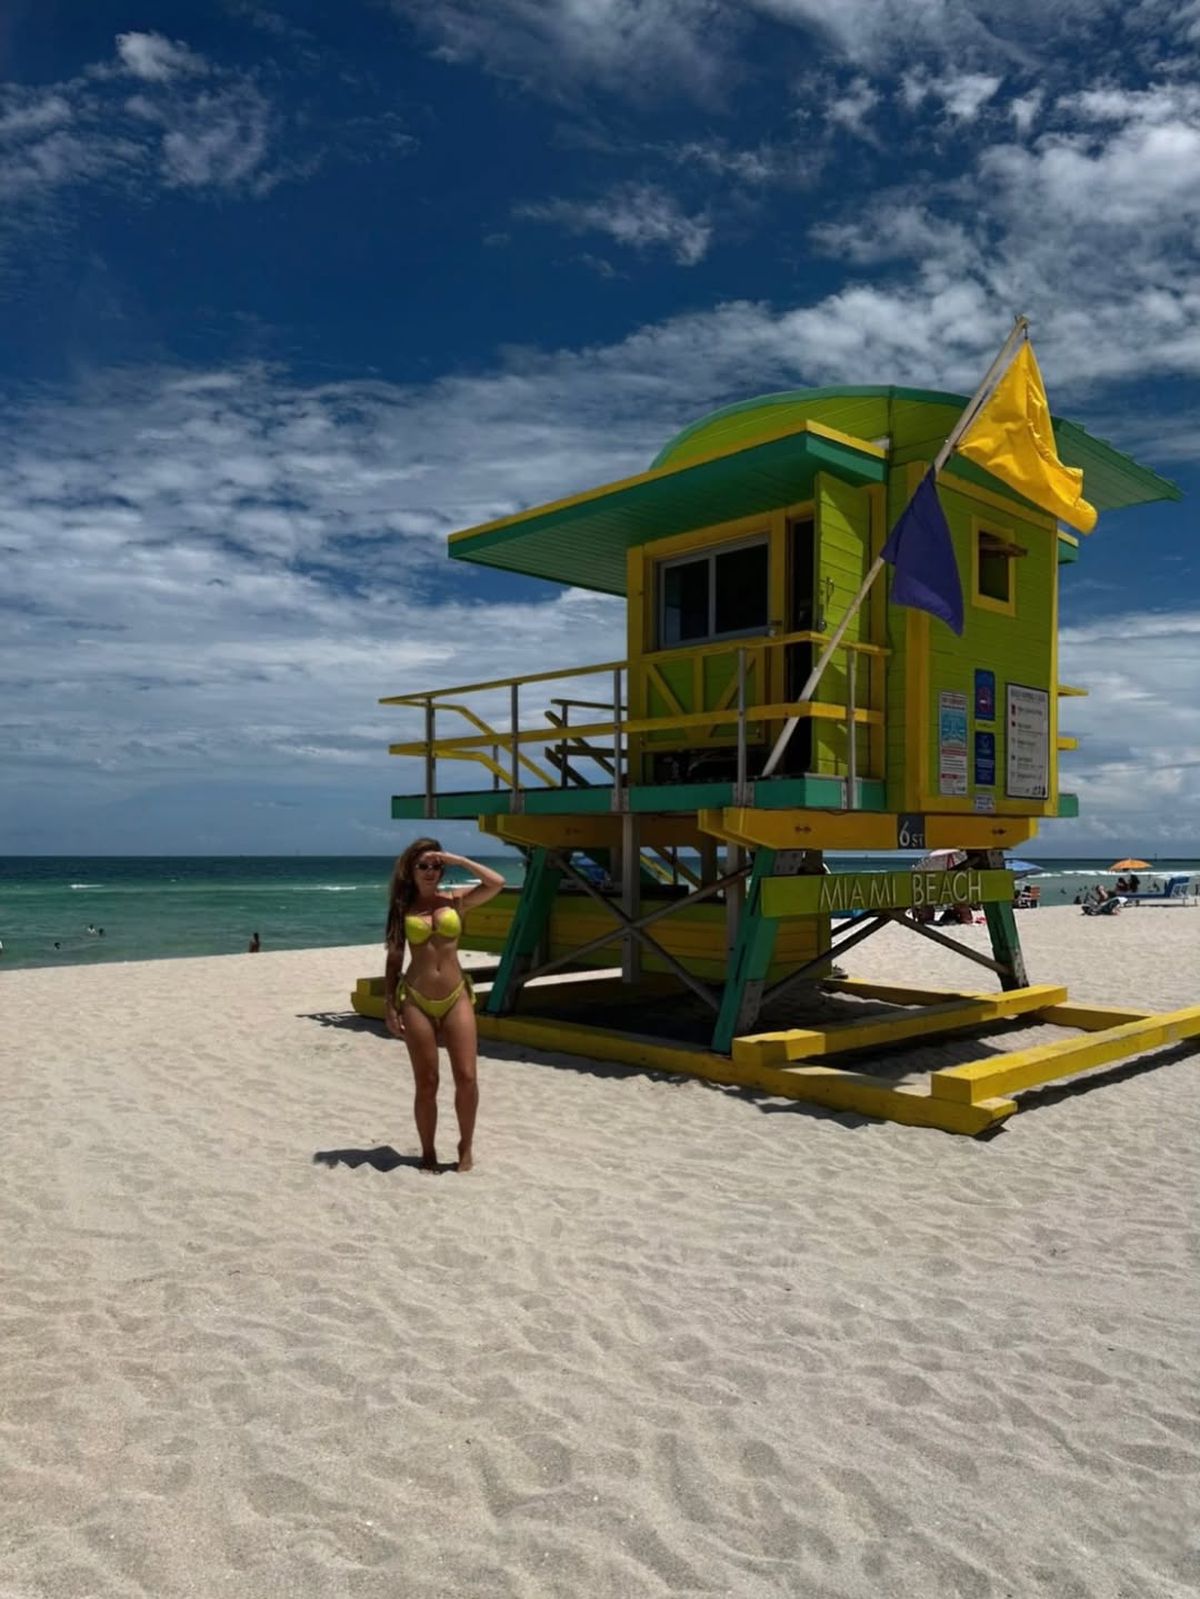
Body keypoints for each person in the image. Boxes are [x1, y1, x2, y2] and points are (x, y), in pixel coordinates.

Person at [384, 838, 505, 1172]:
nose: (430, 871)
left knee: (467, 1076)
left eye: (436, 866)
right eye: (423, 865)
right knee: (427, 1082)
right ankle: (428, 1152)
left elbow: (496, 882)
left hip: (456, 997)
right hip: (416, 999)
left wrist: (458, 859)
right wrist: (390, 1006)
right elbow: (394, 960)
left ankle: (465, 1146)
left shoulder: (456, 901)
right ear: (410, 870)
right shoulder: (401, 909)